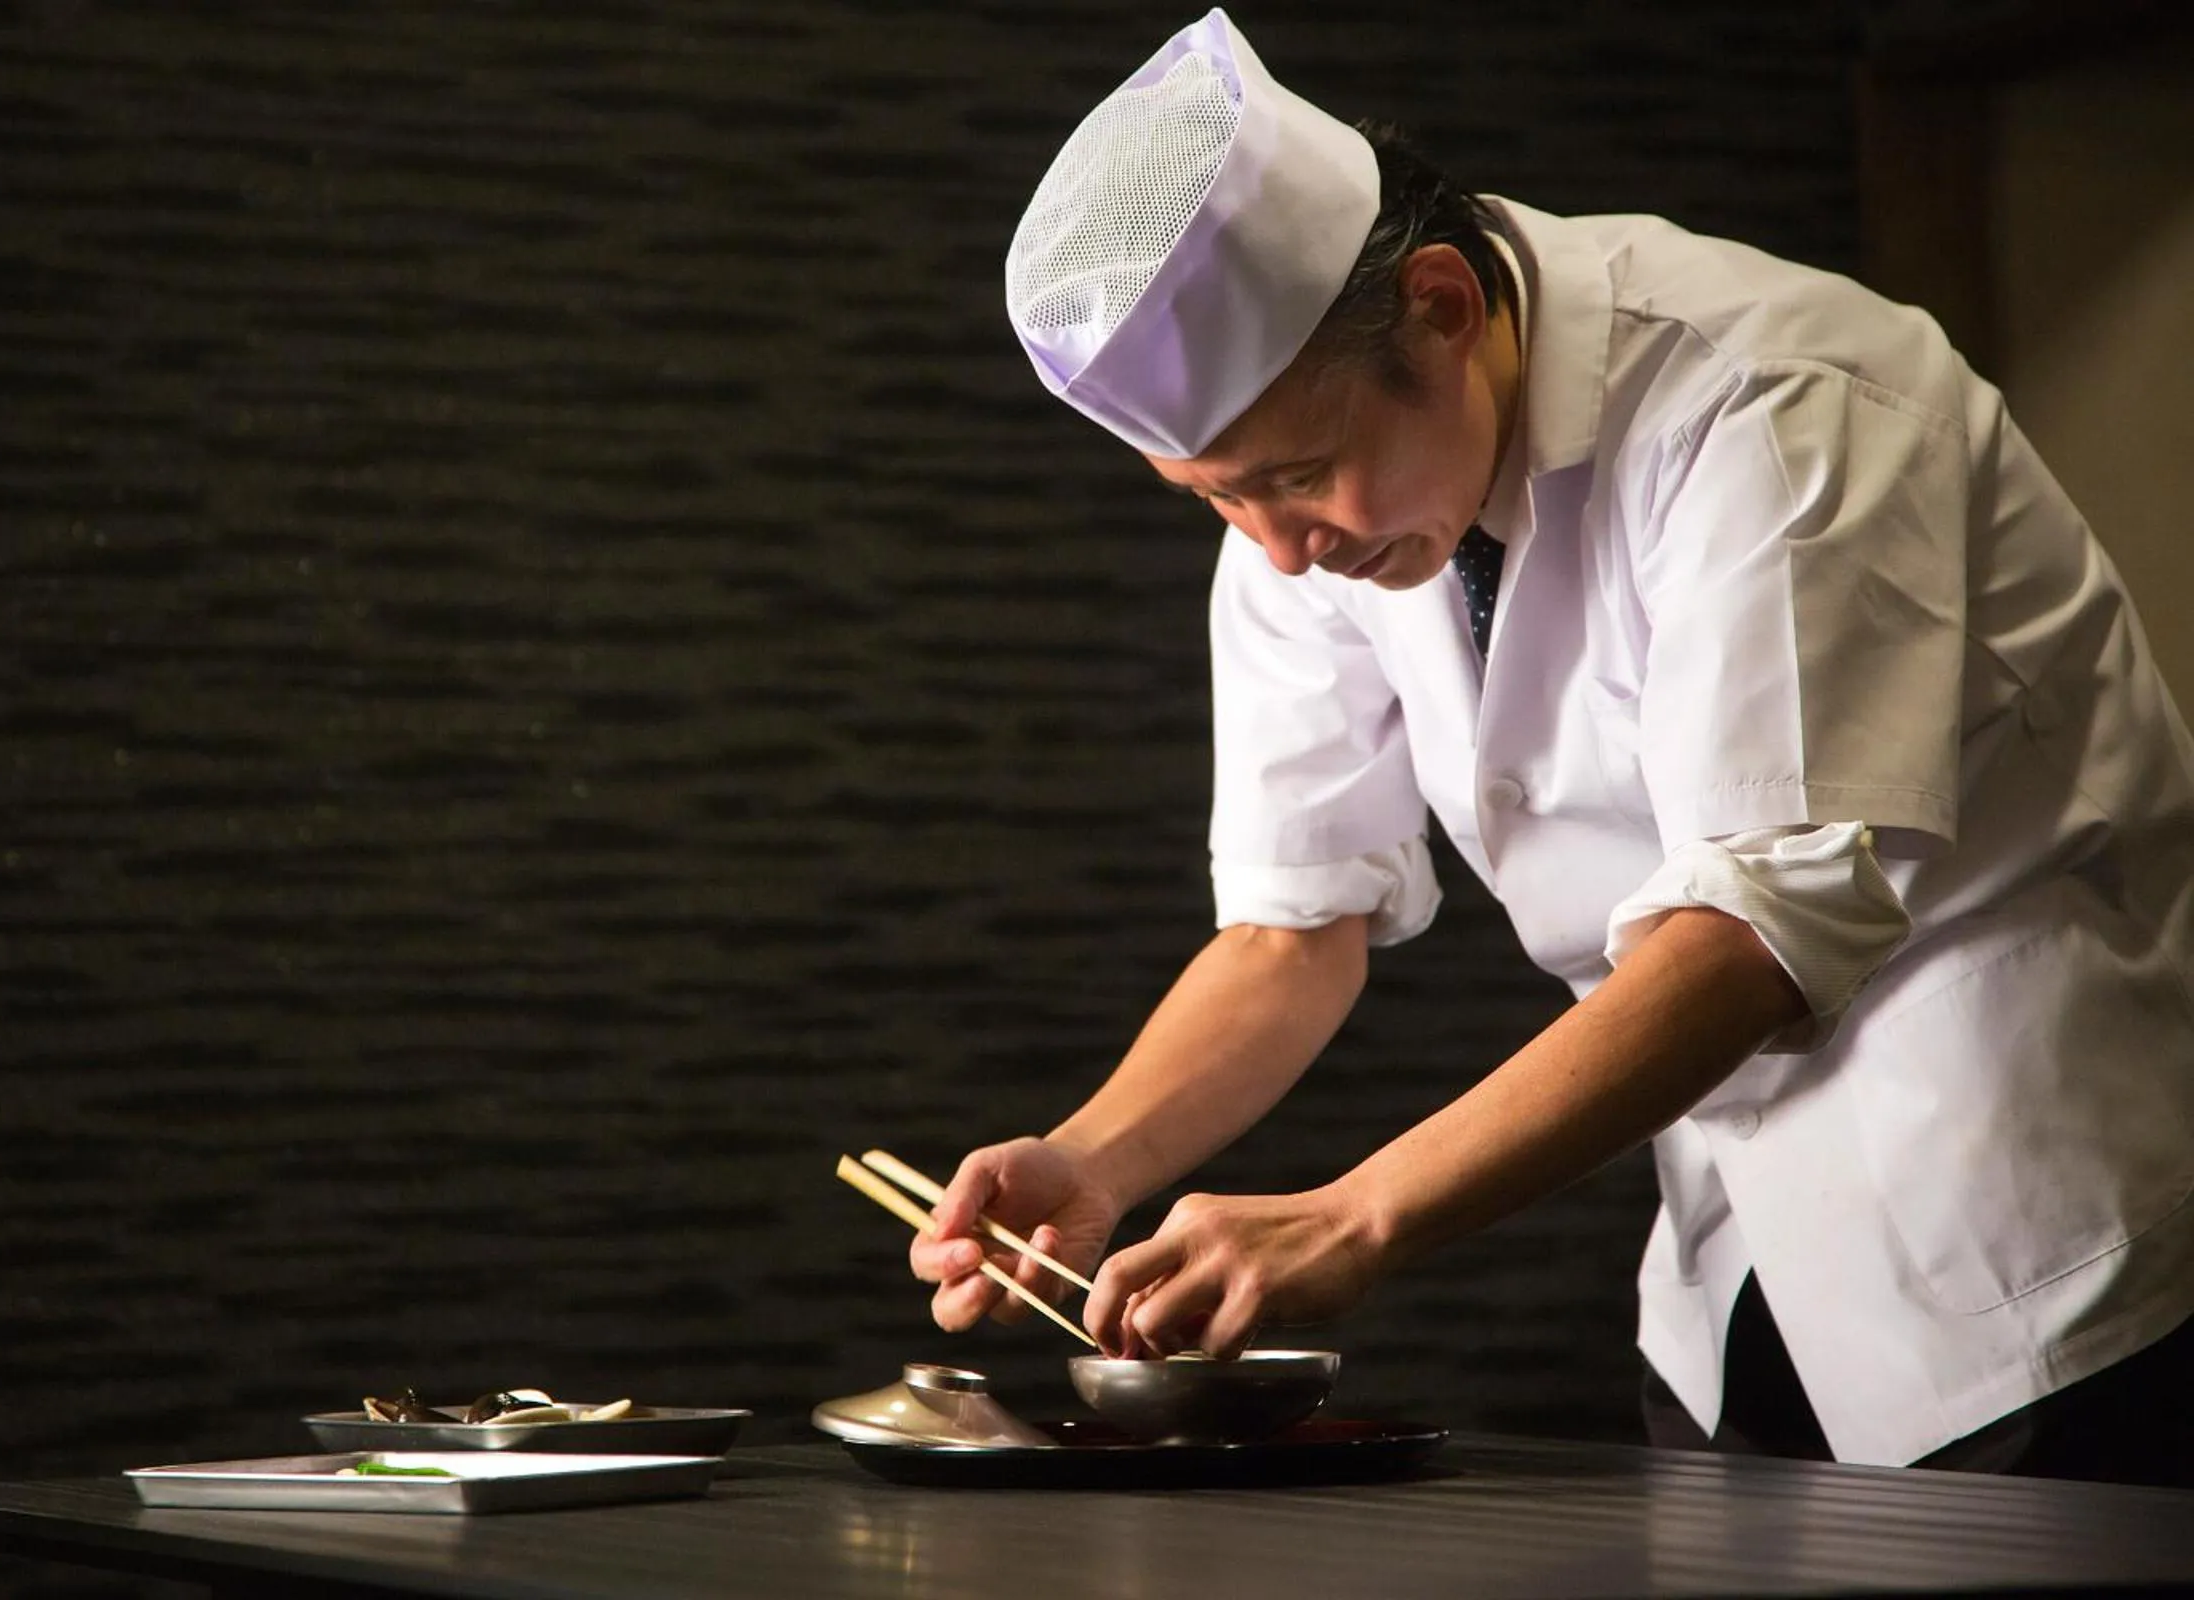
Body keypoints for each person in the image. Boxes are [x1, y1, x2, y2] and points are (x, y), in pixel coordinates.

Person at [910, 7, 2194, 1484]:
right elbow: (1290, 927)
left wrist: (1358, 1212)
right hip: (1730, 1266)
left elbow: (1753, 929)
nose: (1272, 554)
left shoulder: (1771, 398)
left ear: (1444, 308)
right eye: (1211, 498)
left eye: (1295, 478)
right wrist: (1099, 1157)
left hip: (2043, 1238)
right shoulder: (1313, 524)